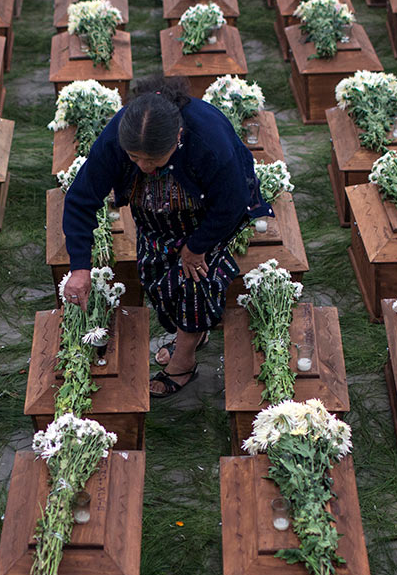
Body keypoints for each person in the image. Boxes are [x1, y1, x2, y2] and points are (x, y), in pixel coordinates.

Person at [61, 76, 271, 397]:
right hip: (153, 217)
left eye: (153, 160)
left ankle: (183, 361)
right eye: (134, 159)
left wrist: (198, 246)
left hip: (208, 215)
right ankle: (192, 334)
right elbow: (80, 199)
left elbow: (232, 203)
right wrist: (79, 267)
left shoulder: (208, 142)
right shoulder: (120, 135)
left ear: (178, 137)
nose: (143, 167)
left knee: (194, 283)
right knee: (154, 276)